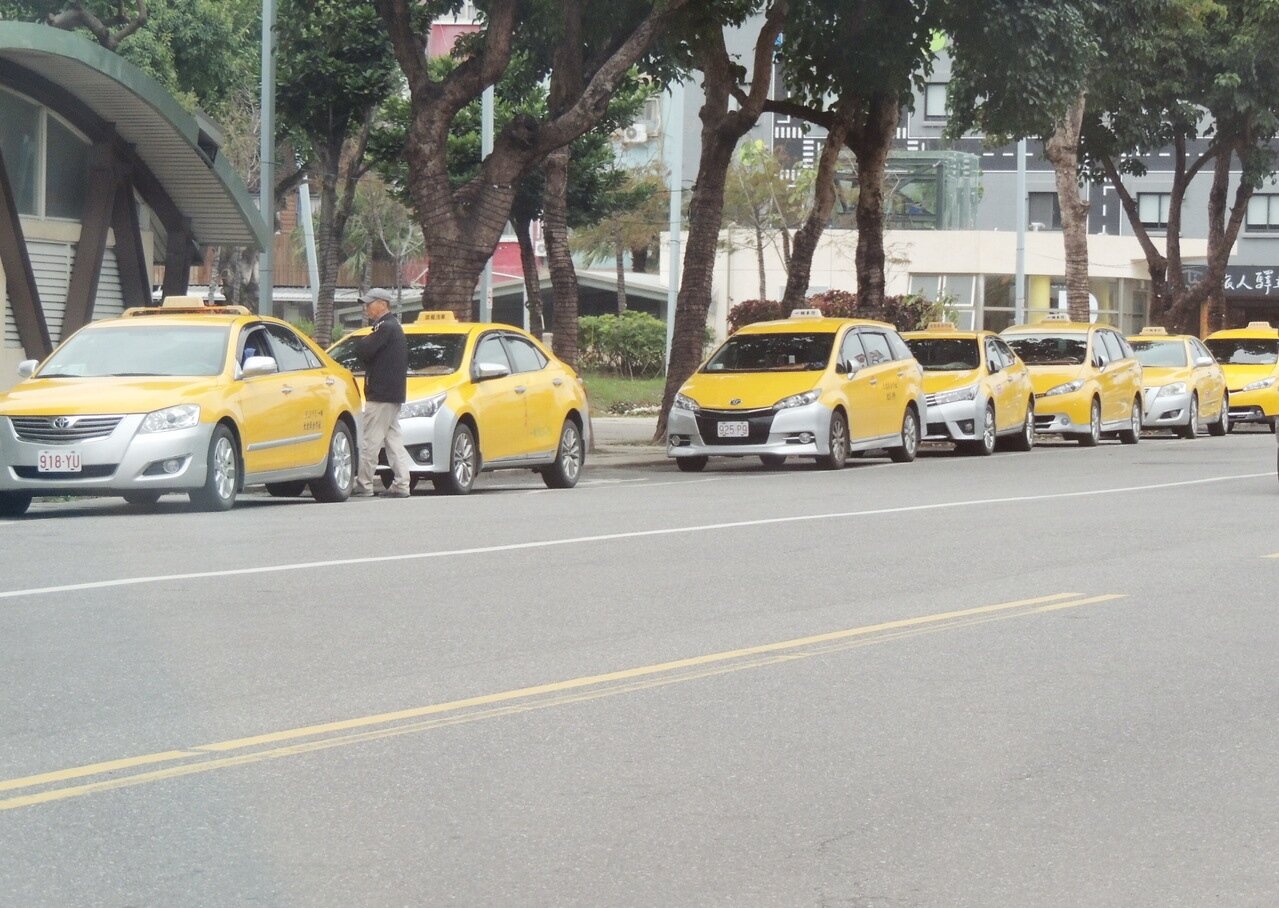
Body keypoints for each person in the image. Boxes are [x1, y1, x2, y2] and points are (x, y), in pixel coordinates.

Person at [351, 288, 413, 498]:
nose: (367, 308)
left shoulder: (385, 328)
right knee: (393, 440)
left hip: (381, 395)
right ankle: (402, 484)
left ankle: (364, 484)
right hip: (392, 395)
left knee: (371, 441)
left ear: (383, 304)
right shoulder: (393, 327)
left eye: (370, 303)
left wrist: (364, 344)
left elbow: (363, 350)